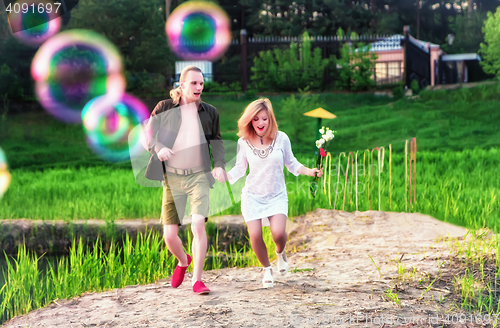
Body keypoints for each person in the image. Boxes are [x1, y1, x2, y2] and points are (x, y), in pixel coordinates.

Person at [143, 66, 226, 294]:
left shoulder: (210, 112)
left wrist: (219, 166)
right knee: (170, 235)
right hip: (172, 179)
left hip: (199, 176)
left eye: (201, 83)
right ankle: (183, 261)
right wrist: (158, 148)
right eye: (194, 83)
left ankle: (197, 280)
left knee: (198, 225)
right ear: (182, 85)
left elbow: (216, 142)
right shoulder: (164, 108)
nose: (199, 87)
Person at [225, 98, 322, 288]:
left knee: (278, 234)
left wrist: (310, 171)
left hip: (276, 195)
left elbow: (292, 163)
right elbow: (239, 169)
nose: (260, 123)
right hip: (252, 196)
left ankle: (280, 252)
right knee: (255, 235)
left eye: (264, 119)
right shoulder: (243, 142)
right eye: (256, 119)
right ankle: (267, 269)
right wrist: (224, 176)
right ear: (250, 121)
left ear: (270, 120)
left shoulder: (282, 138)